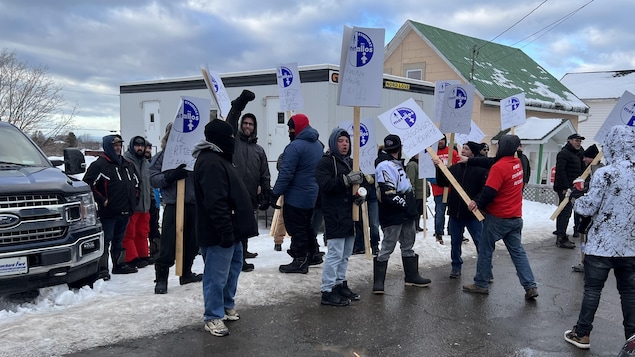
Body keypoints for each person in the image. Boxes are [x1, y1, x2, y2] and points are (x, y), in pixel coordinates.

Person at [564, 126, 635, 349]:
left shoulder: (606, 173)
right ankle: (632, 339)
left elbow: (589, 207)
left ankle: (582, 333)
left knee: (593, 290)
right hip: (630, 246)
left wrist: (577, 196)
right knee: (630, 293)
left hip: (601, 245)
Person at [193, 119, 258, 337]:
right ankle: (212, 316)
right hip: (219, 232)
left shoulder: (221, 158)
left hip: (233, 229)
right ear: (221, 139)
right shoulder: (210, 162)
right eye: (230, 137)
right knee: (216, 275)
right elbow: (216, 202)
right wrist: (225, 232)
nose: (234, 140)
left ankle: (226, 304)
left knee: (233, 269)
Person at [463, 134, 539, 300]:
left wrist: (478, 204)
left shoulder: (499, 168)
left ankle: (481, 283)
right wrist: (469, 161)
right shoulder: (516, 163)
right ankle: (530, 285)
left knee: (485, 249)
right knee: (518, 253)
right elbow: (492, 161)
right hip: (515, 217)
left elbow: (489, 192)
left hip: (498, 217)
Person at [373, 134, 431, 294]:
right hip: (394, 214)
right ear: (400, 148)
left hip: (406, 213)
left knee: (408, 246)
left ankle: (412, 277)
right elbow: (388, 193)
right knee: (387, 247)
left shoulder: (395, 164)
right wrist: (406, 205)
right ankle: (378, 282)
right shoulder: (384, 165)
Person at [149, 123, 203, 294]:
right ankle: (162, 279)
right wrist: (170, 176)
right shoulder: (163, 156)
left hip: (193, 204)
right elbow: (152, 178)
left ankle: (186, 273)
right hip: (173, 204)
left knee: (192, 242)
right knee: (168, 244)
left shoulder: (195, 156)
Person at [315, 128, 364, 306]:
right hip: (334, 214)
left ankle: (339, 284)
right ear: (333, 143)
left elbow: (353, 187)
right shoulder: (325, 163)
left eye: (347, 141)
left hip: (349, 215)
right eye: (340, 141)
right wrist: (346, 180)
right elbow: (326, 185)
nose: (345, 144)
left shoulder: (350, 163)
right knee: (335, 254)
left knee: (345, 254)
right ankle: (327, 290)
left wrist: (358, 196)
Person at [270, 114, 323, 274]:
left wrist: (274, 194)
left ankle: (300, 260)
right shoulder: (318, 145)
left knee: (296, 227)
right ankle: (313, 254)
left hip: (296, 195)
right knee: (306, 225)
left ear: (298, 127)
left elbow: (286, 174)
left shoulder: (294, 147)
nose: (289, 131)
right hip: (312, 194)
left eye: (291, 127)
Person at [226, 90, 271, 272]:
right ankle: (238, 259)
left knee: (244, 227)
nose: (247, 126)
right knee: (234, 227)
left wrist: (266, 193)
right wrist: (238, 106)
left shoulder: (259, 150)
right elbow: (230, 123)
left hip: (250, 195)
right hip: (233, 193)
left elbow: (265, 174)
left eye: (250, 124)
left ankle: (242, 253)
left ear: (255, 127)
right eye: (245, 123)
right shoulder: (234, 142)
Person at [83, 134, 138, 278]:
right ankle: (102, 269)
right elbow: (87, 184)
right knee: (106, 240)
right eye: (115, 145)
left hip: (125, 209)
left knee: (119, 240)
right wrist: (102, 200)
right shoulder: (99, 165)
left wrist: (134, 200)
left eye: (119, 144)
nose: (118, 147)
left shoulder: (127, 165)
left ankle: (119, 264)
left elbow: (136, 184)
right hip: (108, 211)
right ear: (108, 146)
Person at [434, 141, 487, 279]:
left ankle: (486, 269)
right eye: (462, 148)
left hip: (472, 214)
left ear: (473, 153)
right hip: (455, 213)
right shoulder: (455, 168)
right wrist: (439, 168)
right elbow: (442, 182)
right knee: (455, 242)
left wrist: (477, 202)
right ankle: (456, 267)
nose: (463, 151)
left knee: (479, 241)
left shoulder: (480, 170)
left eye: (466, 149)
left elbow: (484, 191)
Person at [122, 136, 153, 269]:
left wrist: (152, 199)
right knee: (130, 233)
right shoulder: (126, 161)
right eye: (137, 145)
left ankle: (143, 254)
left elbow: (149, 183)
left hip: (145, 204)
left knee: (143, 231)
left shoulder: (146, 163)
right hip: (133, 205)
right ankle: (131, 257)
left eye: (142, 145)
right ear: (132, 146)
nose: (140, 148)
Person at [571, 144, 602, 273]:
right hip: (587, 213)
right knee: (584, 237)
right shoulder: (588, 170)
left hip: (592, 214)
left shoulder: (598, 172)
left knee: (587, 238)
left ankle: (587, 262)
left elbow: (593, 193)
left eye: (587, 157)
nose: (584, 159)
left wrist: (581, 191)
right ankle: (585, 260)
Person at [553, 133, 585, 249]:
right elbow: (561, 171)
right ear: (569, 141)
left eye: (580, 141)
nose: (578, 143)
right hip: (564, 188)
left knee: (564, 211)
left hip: (573, 187)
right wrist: (565, 187)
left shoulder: (579, 153)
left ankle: (560, 233)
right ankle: (561, 237)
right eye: (576, 140)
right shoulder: (564, 153)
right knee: (565, 211)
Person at [429, 136, 460, 245]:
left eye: (442, 139)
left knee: (453, 212)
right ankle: (438, 233)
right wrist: (438, 180)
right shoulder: (431, 154)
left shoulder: (453, 153)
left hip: (452, 189)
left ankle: (453, 231)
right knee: (440, 212)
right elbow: (427, 173)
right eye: (438, 139)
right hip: (439, 189)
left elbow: (459, 168)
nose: (440, 141)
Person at [405, 153, 430, 232]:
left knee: (419, 211)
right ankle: (413, 227)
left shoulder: (421, 164)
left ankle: (417, 226)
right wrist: (412, 192)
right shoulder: (412, 165)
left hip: (421, 193)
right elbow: (410, 179)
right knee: (415, 211)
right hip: (417, 193)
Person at [145, 142, 161, 262]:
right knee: (146, 228)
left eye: (150, 148)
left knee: (154, 227)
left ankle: (156, 251)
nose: (148, 150)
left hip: (154, 199)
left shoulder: (151, 163)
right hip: (145, 201)